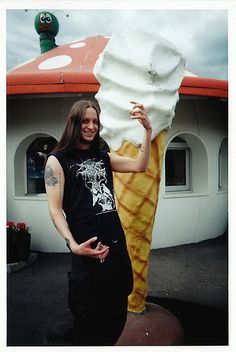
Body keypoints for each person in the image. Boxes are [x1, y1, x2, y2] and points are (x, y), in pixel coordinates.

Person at [44, 99, 152, 346]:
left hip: (115, 247)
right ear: (74, 123)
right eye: (85, 121)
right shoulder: (58, 160)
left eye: (95, 121)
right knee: (88, 318)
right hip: (87, 251)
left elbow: (140, 165)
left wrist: (147, 131)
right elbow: (55, 210)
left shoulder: (103, 156)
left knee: (115, 314)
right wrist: (72, 245)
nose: (91, 126)